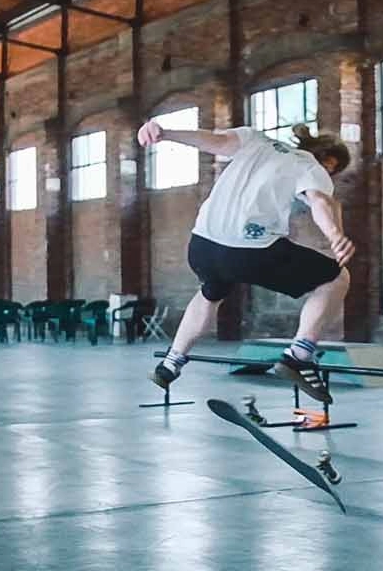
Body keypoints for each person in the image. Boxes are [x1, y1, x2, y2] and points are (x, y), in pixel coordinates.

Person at [140, 119, 354, 404]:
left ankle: (170, 363)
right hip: (248, 250)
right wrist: (334, 234)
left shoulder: (255, 139)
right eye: (334, 170)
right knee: (336, 278)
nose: (331, 176)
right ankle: (299, 357)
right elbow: (319, 202)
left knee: (210, 293)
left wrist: (166, 133)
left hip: (202, 246)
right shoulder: (311, 166)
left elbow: (212, 140)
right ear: (329, 160)